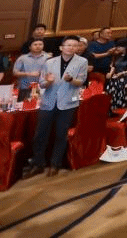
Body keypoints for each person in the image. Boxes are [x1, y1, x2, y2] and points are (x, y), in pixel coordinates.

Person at [22, 36, 88, 178]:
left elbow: (81, 81)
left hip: (68, 104)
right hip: (48, 102)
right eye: (68, 45)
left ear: (77, 48)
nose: (71, 47)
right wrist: (48, 82)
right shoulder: (50, 62)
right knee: (40, 134)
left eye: (74, 45)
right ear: (61, 47)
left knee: (60, 134)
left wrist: (71, 80)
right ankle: (38, 163)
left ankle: (55, 164)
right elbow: (41, 84)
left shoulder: (82, 61)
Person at [106, 39, 127, 112]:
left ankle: (126, 111)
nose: (117, 48)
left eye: (119, 47)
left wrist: (123, 73)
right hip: (116, 78)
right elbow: (114, 66)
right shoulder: (117, 55)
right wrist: (110, 73)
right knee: (113, 95)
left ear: (125, 47)